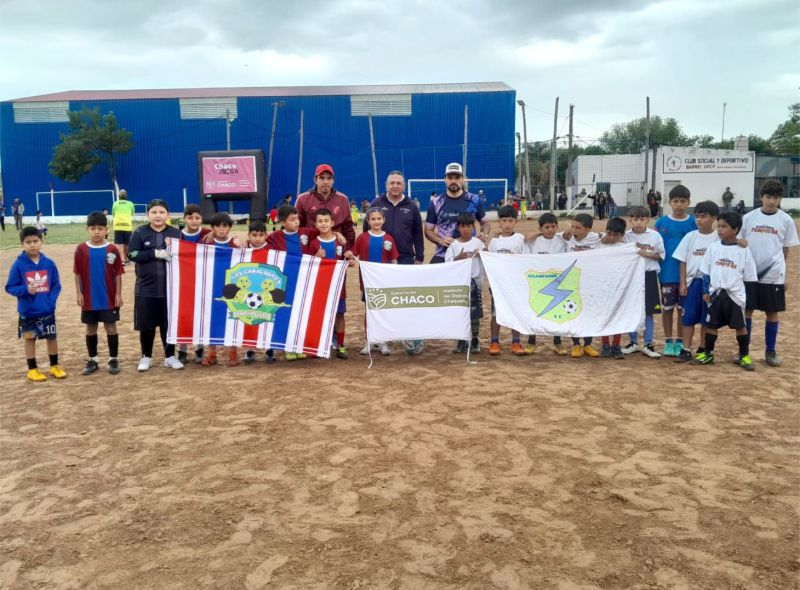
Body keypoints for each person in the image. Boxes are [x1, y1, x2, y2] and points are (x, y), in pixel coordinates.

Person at [740, 180, 799, 367]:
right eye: (768, 197)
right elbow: (740, 244)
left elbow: (785, 249)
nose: (771, 201)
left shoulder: (786, 220)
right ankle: (744, 351)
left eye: (775, 197)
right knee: (746, 312)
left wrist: (783, 274)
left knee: (772, 313)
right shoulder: (749, 218)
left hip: (773, 275)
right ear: (761, 197)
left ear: (780, 199)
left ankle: (770, 351)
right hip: (749, 274)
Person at [694, 212, 757, 371]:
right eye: (719, 226)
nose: (719, 229)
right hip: (716, 293)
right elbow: (705, 271)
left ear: (735, 229)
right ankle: (708, 353)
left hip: (735, 295)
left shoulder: (743, 250)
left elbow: (749, 276)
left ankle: (744, 354)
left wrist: (747, 298)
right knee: (711, 324)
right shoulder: (713, 248)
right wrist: (705, 290)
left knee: (740, 326)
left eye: (724, 226)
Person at [5, 226, 67, 382]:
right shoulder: (18, 265)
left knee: (51, 338)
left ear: (41, 241)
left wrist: (50, 302)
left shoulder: (49, 263)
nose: (32, 245)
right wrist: (25, 289)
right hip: (28, 312)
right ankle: (32, 369)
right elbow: (10, 287)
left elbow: (55, 285)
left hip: (47, 310)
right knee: (30, 339)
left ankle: (54, 366)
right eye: (28, 242)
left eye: (35, 241)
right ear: (22, 244)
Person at [128, 199, 183, 372]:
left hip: (170, 289)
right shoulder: (139, 232)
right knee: (147, 324)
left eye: (161, 212)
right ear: (148, 215)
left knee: (168, 324)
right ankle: (146, 356)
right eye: (154, 212)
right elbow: (132, 253)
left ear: (168, 215)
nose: (158, 215)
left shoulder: (175, 233)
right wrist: (154, 253)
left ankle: (169, 357)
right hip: (146, 288)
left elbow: (184, 255)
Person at [73, 211, 124, 375]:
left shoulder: (112, 249)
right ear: (87, 229)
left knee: (111, 327)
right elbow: (77, 273)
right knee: (90, 328)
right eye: (93, 228)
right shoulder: (81, 249)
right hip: (89, 298)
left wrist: (118, 294)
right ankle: (93, 359)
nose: (96, 232)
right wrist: (79, 293)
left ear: (106, 229)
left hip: (108, 297)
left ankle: (113, 359)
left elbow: (118, 274)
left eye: (100, 228)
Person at [671, 200, 721, 363]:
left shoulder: (718, 238)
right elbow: (682, 260)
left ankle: (704, 349)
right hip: (693, 283)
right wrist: (683, 283)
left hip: (711, 286)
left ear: (714, 218)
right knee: (688, 317)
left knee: (707, 318)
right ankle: (685, 349)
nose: (699, 220)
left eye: (704, 216)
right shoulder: (690, 237)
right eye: (697, 216)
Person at [655, 185, 697, 356]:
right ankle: (667, 341)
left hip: (686, 275)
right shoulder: (661, 222)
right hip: (666, 273)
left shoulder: (693, 222)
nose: (679, 204)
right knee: (667, 309)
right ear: (670, 202)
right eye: (675, 201)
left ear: (688, 202)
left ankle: (680, 341)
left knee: (682, 309)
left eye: (683, 201)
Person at [352, 208, 398, 356]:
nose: (376, 221)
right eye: (373, 219)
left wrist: (395, 277)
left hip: (384, 282)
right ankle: (370, 341)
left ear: (383, 220)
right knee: (369, 311)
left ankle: (383, 341)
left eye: (379, 218)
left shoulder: (389, 239)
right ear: (368, 221)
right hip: (367, 282)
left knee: (383, 311)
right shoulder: (362, 238)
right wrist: (349, 256)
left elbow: (394, 260)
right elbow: (353, 255)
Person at [309, 209, 355, 360]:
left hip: (338, 286)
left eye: (326, 221)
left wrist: (349, 258)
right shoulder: (314, 243)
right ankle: (320, 345)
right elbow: (308, 265)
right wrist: (316, 257)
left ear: (332, 223)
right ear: (315, 224)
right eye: (320, 221)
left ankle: (341, 346)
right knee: (319, 315)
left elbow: (349, 261)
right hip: (320, 287)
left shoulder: (340, 241)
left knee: (339, 315)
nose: (323, 224)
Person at [622, 206, 665, 359]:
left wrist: (645, 253)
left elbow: (660, 255)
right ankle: (633, 342)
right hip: (632, 277)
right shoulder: (626, 237)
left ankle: (648, 343)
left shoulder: (655, 236)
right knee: (631, 309)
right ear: (630, 221)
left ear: (648, 220)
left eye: (642, 219)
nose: (638, 222)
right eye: (635, 219)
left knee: (649, 311)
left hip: (649, 275)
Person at [200, 213, 243, 366]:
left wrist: (240, 247)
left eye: (225, 226)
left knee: (232, 318)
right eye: (218, 226)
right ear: (212, 228)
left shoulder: (235, 243)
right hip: (211, 287)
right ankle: (212, 354)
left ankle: (233, 353)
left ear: (230, 227)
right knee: (211, 320)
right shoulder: (206, 242)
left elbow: (246, 261)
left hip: (232, 288)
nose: (221, 229)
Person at [424, 163, 489, 263]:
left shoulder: (474, 200)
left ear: (462, 179)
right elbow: (428, 230)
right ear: (445, 180)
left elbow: (485, 223)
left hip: (468, 254)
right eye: (450, 178)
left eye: (457, 177)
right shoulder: (436, 203)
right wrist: (440, 241)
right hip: (443, 254)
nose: (453, 181)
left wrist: (484, 233)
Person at [523, 212, 568, 355]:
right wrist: (535, 235)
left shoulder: (562, 240)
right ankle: (531, 342)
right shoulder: (533, 242)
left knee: (556, 313)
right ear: (540, 228)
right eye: (546, 227)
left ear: (557, 227)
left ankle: (558, 343)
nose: (550, 230)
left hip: (557, 284)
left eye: (553, 226)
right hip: (539, 283)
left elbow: (570, 234)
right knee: (536, 312)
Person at [487, 205, 527, 356]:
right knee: (496, 314)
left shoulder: (520, 239)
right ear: (499, 222)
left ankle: (516, 343)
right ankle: (494, 342)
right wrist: (492, 282)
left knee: (515, 313)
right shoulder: (494, 242)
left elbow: (526, 261)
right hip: (498, 285)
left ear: (515, 222)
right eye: (504, 221)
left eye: (511, 221)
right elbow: (490, 262)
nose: (507, 224)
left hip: (515, 284)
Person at [560, 213, 602, 358]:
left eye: (578, 228)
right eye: (573, 226)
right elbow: (545, 233)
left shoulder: (597, 238)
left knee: (589, 313)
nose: (574, 230)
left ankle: (588, 344)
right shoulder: (566, 237)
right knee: (574, 312)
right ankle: (576, 345)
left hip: (590, 283)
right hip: (572, 283)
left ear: (588, 229)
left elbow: (614, 238)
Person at [174, 204, 211, 365]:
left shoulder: (208, 234)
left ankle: (200, 348)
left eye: (197, 217)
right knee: (183, 314)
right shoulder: (177, 235)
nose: (194, 221)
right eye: (190, 218)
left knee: (201, 315)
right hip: (183, 281)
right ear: (184, 219)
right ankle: (182, 349)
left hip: (203, 280)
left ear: (201, 218)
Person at [445, 213, 486, 354]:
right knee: (460, 312)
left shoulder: (477, 243)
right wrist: (458, 258)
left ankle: (474, 339)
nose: (466, 229)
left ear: (473, 227)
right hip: (459, 284)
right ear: (458, 227)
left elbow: (488, 257)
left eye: (469, 226)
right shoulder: (454, 245)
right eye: (463, 226)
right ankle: (461, 339)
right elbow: (447, 263)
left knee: (474, 313)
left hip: (475, 281)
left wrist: (482, 254)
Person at [365, 171, 425, 265]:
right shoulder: (376, 204)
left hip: (405, 258)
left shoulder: (412, 206)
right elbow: (366, 230)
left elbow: (418, 234)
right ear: (386, 185)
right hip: (380, 257)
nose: (395, 186)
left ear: (404, 186)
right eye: (392, 183)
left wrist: (419, 257)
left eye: (398, 183)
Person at [296, 164, 356, 249]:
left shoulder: (343, 200)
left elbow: (348, 229)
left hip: (337, 251)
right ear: (315, 179)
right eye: (322, 178)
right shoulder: (303, 199)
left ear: (333, 180)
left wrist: (348, 250)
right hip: (312, 250)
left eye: (329, 178)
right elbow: (297, 227)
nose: (326, 182)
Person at [596, 216, 628, 359]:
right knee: (604, 316)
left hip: (618, 288)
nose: (612, 237)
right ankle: (605, 345)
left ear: (622, 235)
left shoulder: (625, 248)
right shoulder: (597, 243)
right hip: (602, 287)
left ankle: (616, 345)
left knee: (617, 315)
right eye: (609, 233)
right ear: (606, 231)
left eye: (616, 235)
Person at [112, 189, 136, 265]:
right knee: (127, 243)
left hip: (118, 226)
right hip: (127, 226)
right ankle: (126, 258)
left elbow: (113, 214)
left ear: (119, 196)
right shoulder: (130, 204)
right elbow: (132, 214)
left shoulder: (115, 203)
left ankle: (122, 260)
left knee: (120, 243)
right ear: (126, 196)